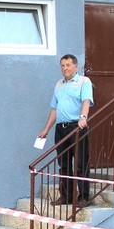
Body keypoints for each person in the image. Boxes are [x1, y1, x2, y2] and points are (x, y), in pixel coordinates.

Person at [38, 54, 94, 205]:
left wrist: (83, 117)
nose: (65, 68)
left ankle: (83, 197)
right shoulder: (59, 84)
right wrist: (46, 129)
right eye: (62, 65)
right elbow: (54, 108)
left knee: (81, 163)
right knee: (64, 164)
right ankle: (66, 196)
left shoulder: (84, 81)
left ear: (76, 66)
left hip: (76, 127)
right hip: (60, 129)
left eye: (68, 65)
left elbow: (86, 101)